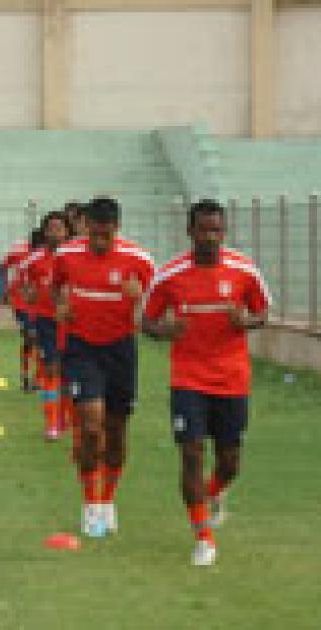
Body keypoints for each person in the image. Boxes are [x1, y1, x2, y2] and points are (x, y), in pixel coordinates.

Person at [142, 199, 270, 567]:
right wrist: (164, 329)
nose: (210, 237)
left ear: (223, 232)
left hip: (232, 379)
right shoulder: (170, 275)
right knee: (192, 453)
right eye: (203, 230)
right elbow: (146, 321)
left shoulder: (244, 270)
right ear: (190, 231)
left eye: (216, 230)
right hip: (188, 378)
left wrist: (246, 322)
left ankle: (214, 492)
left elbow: (263, 312)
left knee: (230, 462)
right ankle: (203, 538)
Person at [52, 196, 154, 538]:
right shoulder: (66, 255)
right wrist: (61, 305)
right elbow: (56, 289)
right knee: (91, 426)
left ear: (117, 229)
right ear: (85, 227)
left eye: (106, 235)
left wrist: (139, 299)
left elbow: (156, 310)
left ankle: (108, 500)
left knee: (117, 431)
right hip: (82, 348)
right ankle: (90, 505)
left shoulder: (139, 260)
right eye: (94, 234)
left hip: (120, 351)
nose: (99, 242)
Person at [18, 213, 69, 441]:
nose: (55, 233)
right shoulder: (33, 260)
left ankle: (64, 419)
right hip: (46, 320)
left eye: (60, 228)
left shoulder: (75, 256)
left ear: (66, 232)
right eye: (51, 228)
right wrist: (29, 295)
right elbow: (22, 283)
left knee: (68, 372)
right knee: (51, 369)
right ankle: (52, 423)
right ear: (45, 232)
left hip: (71, 322)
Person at [3, 229, 41, 392]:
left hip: (40, 304)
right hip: (21, 302)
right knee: (30, 336)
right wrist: (5, 288)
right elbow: (4, 266)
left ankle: (38, 379)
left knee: (40, 339)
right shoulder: (19, 251)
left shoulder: (50, 255)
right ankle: (26, 378)